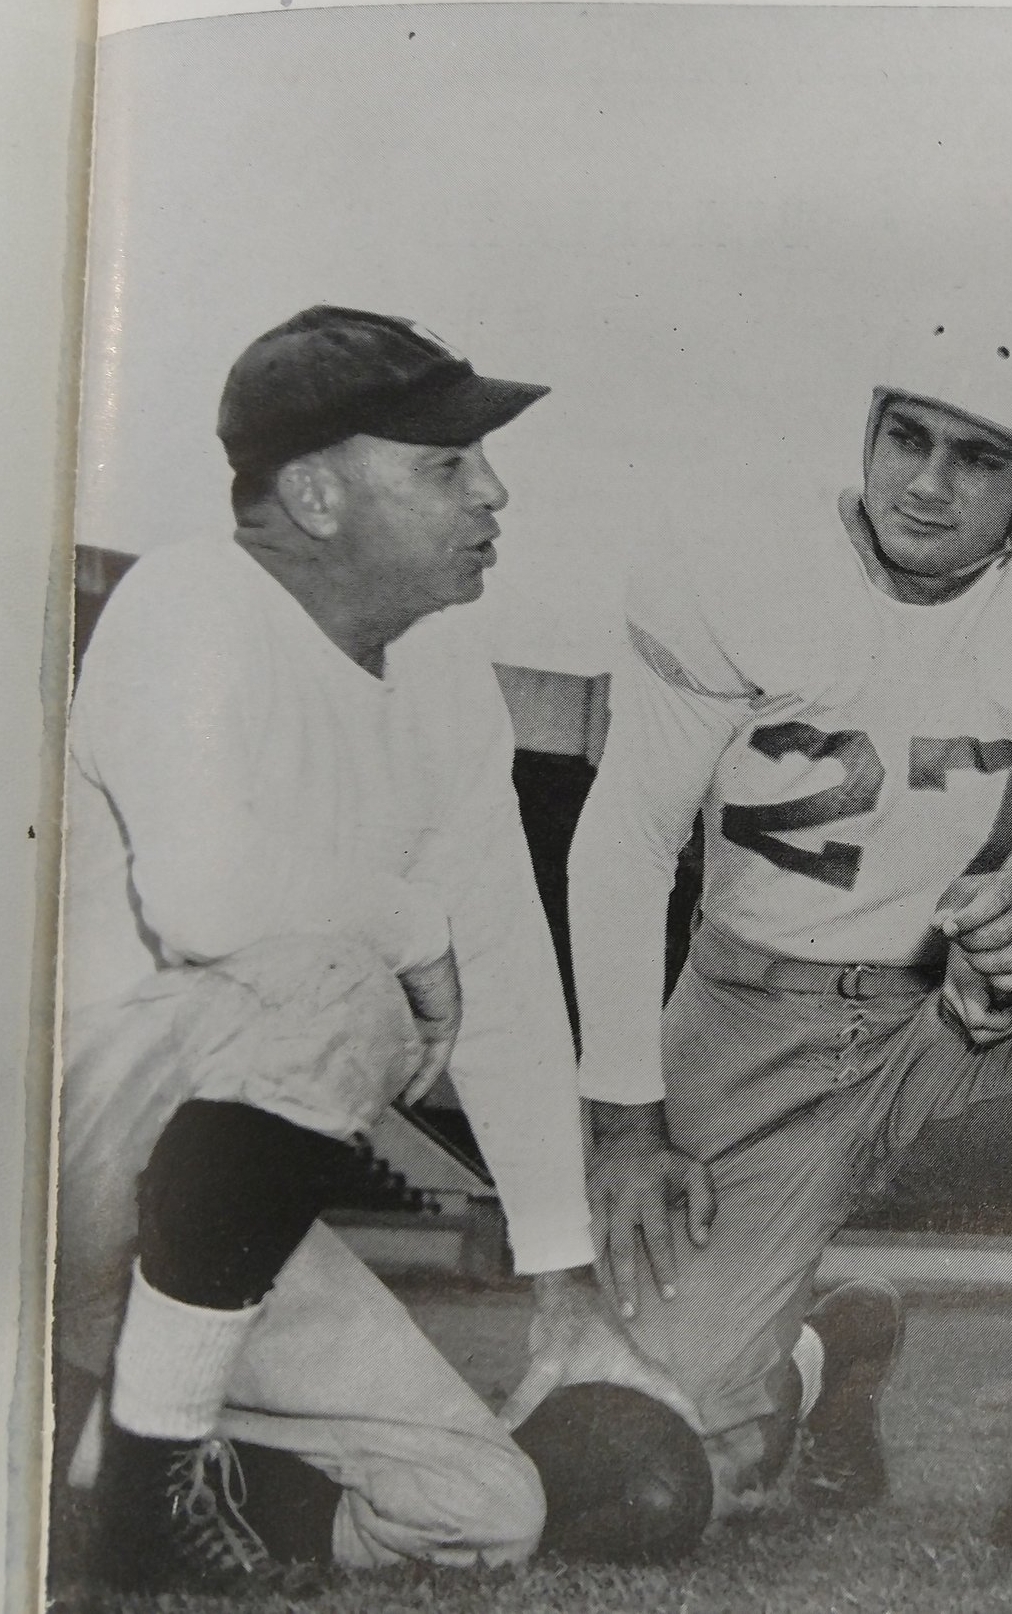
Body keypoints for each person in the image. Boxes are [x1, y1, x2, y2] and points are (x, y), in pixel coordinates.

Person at [563, 303, 1012, 1557]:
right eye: (904, 437)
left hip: (963, 1007)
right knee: (657, 1455)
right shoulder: (732, 562)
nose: (925, 483)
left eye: (978, 458)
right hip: (756, 1014)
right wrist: (626, 1120)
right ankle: (831, 1346)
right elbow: (625, 842)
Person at [56, 305, 694, 1594]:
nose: (493, 491)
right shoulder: (189, 600)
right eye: (445, 465)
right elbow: (203, 898)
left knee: (476, 1509)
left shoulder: (443, 661)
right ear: (316, 493)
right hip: (60, 1167)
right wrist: (412, 934)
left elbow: (505, 962)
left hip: (197, 1223)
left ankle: (95, 1462)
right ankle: (145, 1475)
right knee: (338, 982)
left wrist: (560, 1281)